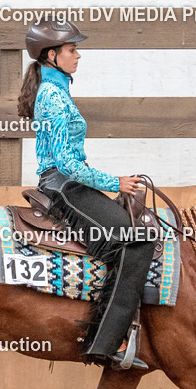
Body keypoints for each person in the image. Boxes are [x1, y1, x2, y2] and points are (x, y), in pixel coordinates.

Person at [17, 19, 154, 370]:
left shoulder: (57, 90)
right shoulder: (51, 95)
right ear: (52, 55)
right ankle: (105, 342)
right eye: (72, 49)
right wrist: (115, 183)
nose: (78, 55)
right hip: (64, 186)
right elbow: (65, 161)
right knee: (135, 242)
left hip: (71, 183)